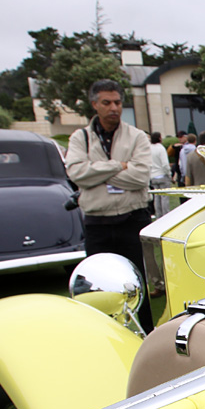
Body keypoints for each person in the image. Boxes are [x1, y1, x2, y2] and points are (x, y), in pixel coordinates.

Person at [65, 79, 154, 332]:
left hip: (132, 219)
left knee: (139, 283)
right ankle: (103, 334)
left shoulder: (137, 136)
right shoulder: (80, 138)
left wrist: (96, 172)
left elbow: (140, 176)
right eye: (107, 102)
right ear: (95, 104)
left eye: (117, 102)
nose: (113, 107)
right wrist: (120, 165)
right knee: (97, 286)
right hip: (98, 223)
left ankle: (145, 335)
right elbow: (76, 173)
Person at [148, 132, 171, 217]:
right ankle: (165, 215)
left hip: (153, 175)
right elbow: (165, 164)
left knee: (157, 197)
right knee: (164, 197)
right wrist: (169, 173)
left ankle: (159, 215)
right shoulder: (161, 148)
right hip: (162, 175)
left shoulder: (149, 148)